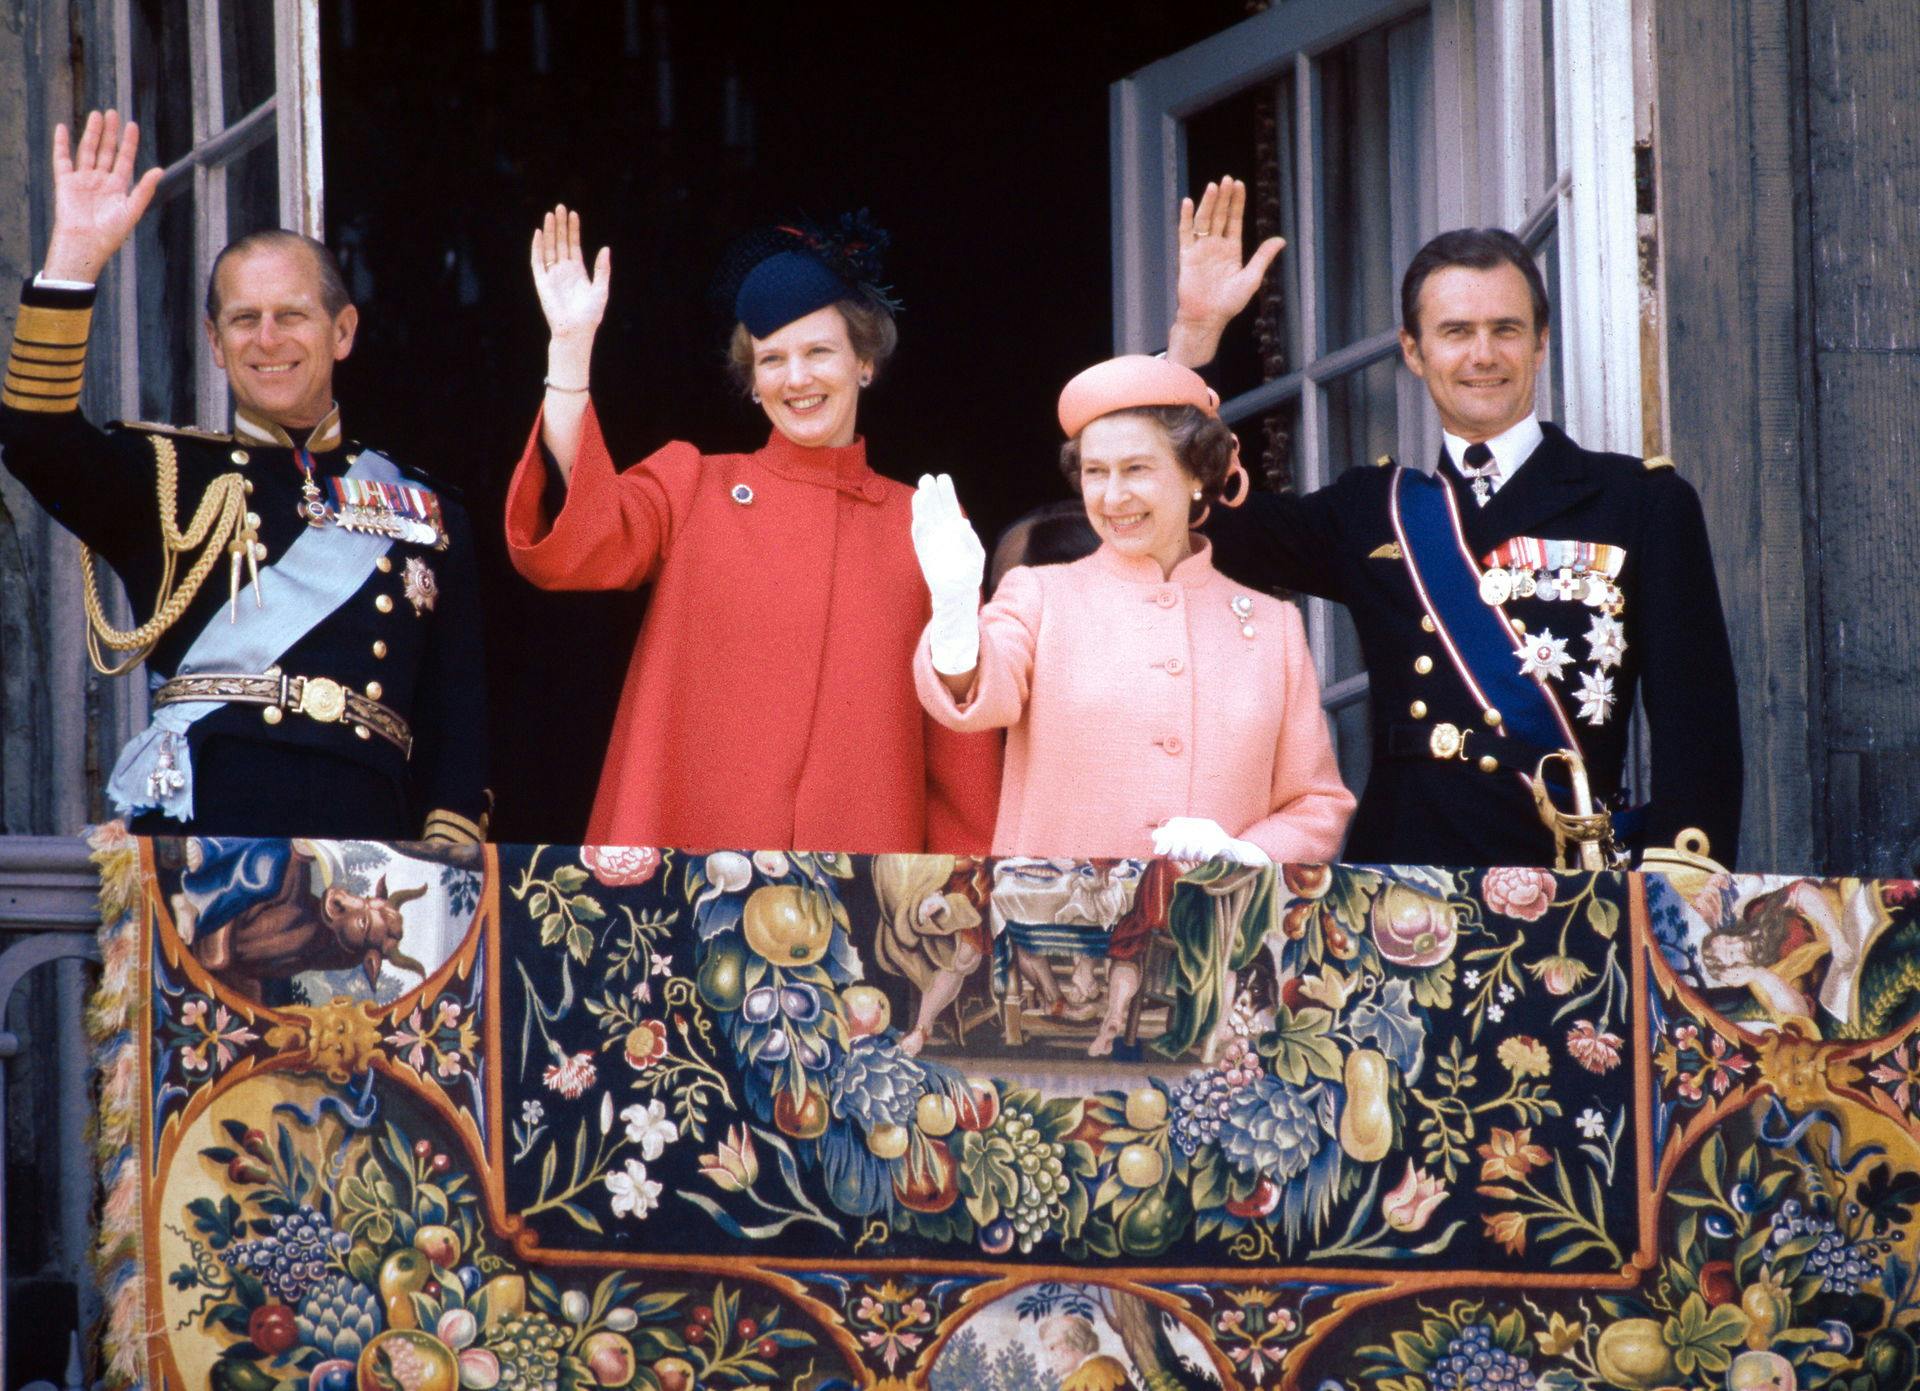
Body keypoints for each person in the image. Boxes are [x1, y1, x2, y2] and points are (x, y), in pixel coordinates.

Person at [0, 111, 489, 842]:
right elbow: (35, 437)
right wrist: (73, 257)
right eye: (243, 319)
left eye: (292, 315)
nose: (267, 340)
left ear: (343, 331)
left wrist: (445, 855)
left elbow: (458, 714)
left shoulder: (425, 509)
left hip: (366, 854)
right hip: (202, 836)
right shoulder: (164, 478)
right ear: (216, 342)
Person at [1197, 221, 1742, 868]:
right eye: (1456, 332)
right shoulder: (1376, 511)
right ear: (1413, 349)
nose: (1483, 354)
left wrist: (1674, 893)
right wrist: (1194, 341)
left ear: (1540, 344)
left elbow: (1697, 729)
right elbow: (1205, 523)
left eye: (1505, 329)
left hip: (1569, 890)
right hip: (1404, 888)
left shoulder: (1640, 503)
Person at [504, 206, 1000, 852]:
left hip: (864, 889)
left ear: (865, 362)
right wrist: (568, 354)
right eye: (771, 360)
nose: (796, 378)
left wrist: (960, 900)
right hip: (690, 879)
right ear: (753, 383)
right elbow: (586, 539)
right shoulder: (691, 486)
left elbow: (959, 741)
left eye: (819, 351)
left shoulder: (925, 522)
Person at [910, 355, 1354, 1053]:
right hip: (1057, 975)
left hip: (1220, 973)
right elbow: (979, 695)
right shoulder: (1040, 594)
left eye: (1137, 469)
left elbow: (1318, 803)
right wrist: (955, 613)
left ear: (1197, 471)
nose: (1112, 495)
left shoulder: (1270, 626)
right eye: (1094, 471)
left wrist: (1243, 851)